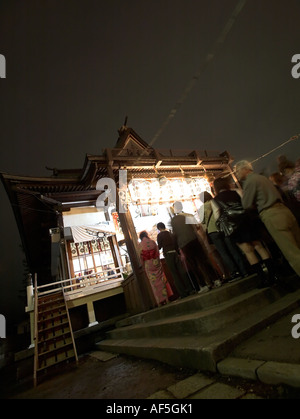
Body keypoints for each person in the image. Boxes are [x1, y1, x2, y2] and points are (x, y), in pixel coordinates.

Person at [235, 160, 300, 277]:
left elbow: (246, 204)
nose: (236, 174)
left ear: (245, 169)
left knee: (292, 252)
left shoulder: (250, 181)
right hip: (284, 211)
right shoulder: (263, 178)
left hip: (272, 214)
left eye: (237, 171)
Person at [212, 176, 277, 288]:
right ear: (227, 184)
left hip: (235, 228)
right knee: (259, 247)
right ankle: (273, 275)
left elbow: (217, 217)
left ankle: (262, 279)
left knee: (248, 252)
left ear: (216, 188)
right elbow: (247, 204)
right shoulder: (237, 191)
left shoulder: (215, 200)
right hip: (248, 222)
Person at [201, 191, 249, 282]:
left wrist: (214, 221)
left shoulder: (202, 208)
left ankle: (235, 272)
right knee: (232, 248)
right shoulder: (216, 201)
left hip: (213, 231)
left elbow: (202, 221)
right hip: (223, 228)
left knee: (223, 253)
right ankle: (244, 269)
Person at [170, 201, 217, 292]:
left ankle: (204, 285)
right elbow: (196, 227)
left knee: (194, 265)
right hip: (196, 239)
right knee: (203, 260)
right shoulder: (188, 215)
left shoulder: (175, 220)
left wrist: (176, 247)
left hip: (184, 244)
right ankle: (215, 279)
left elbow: (175, 234)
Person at [156, 222, 194, 297]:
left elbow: (159, 247)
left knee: (175, 274)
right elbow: (176, 244)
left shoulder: (160, 235)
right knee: (182, 272)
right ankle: (190, 289)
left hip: (168, 255)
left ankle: (183, 293)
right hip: (175, 253)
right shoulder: (170, 233)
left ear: (159, 228)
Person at [139, 230, 173, 306]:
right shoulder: (153, 242)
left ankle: (159, 302)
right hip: (156, 262)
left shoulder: (140, 245)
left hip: (148, 264)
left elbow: (141, 257)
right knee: (161, 279)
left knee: (154, 284)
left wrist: (143, 265)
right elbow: (157, 252)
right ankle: (166, 299)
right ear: (147, 235)